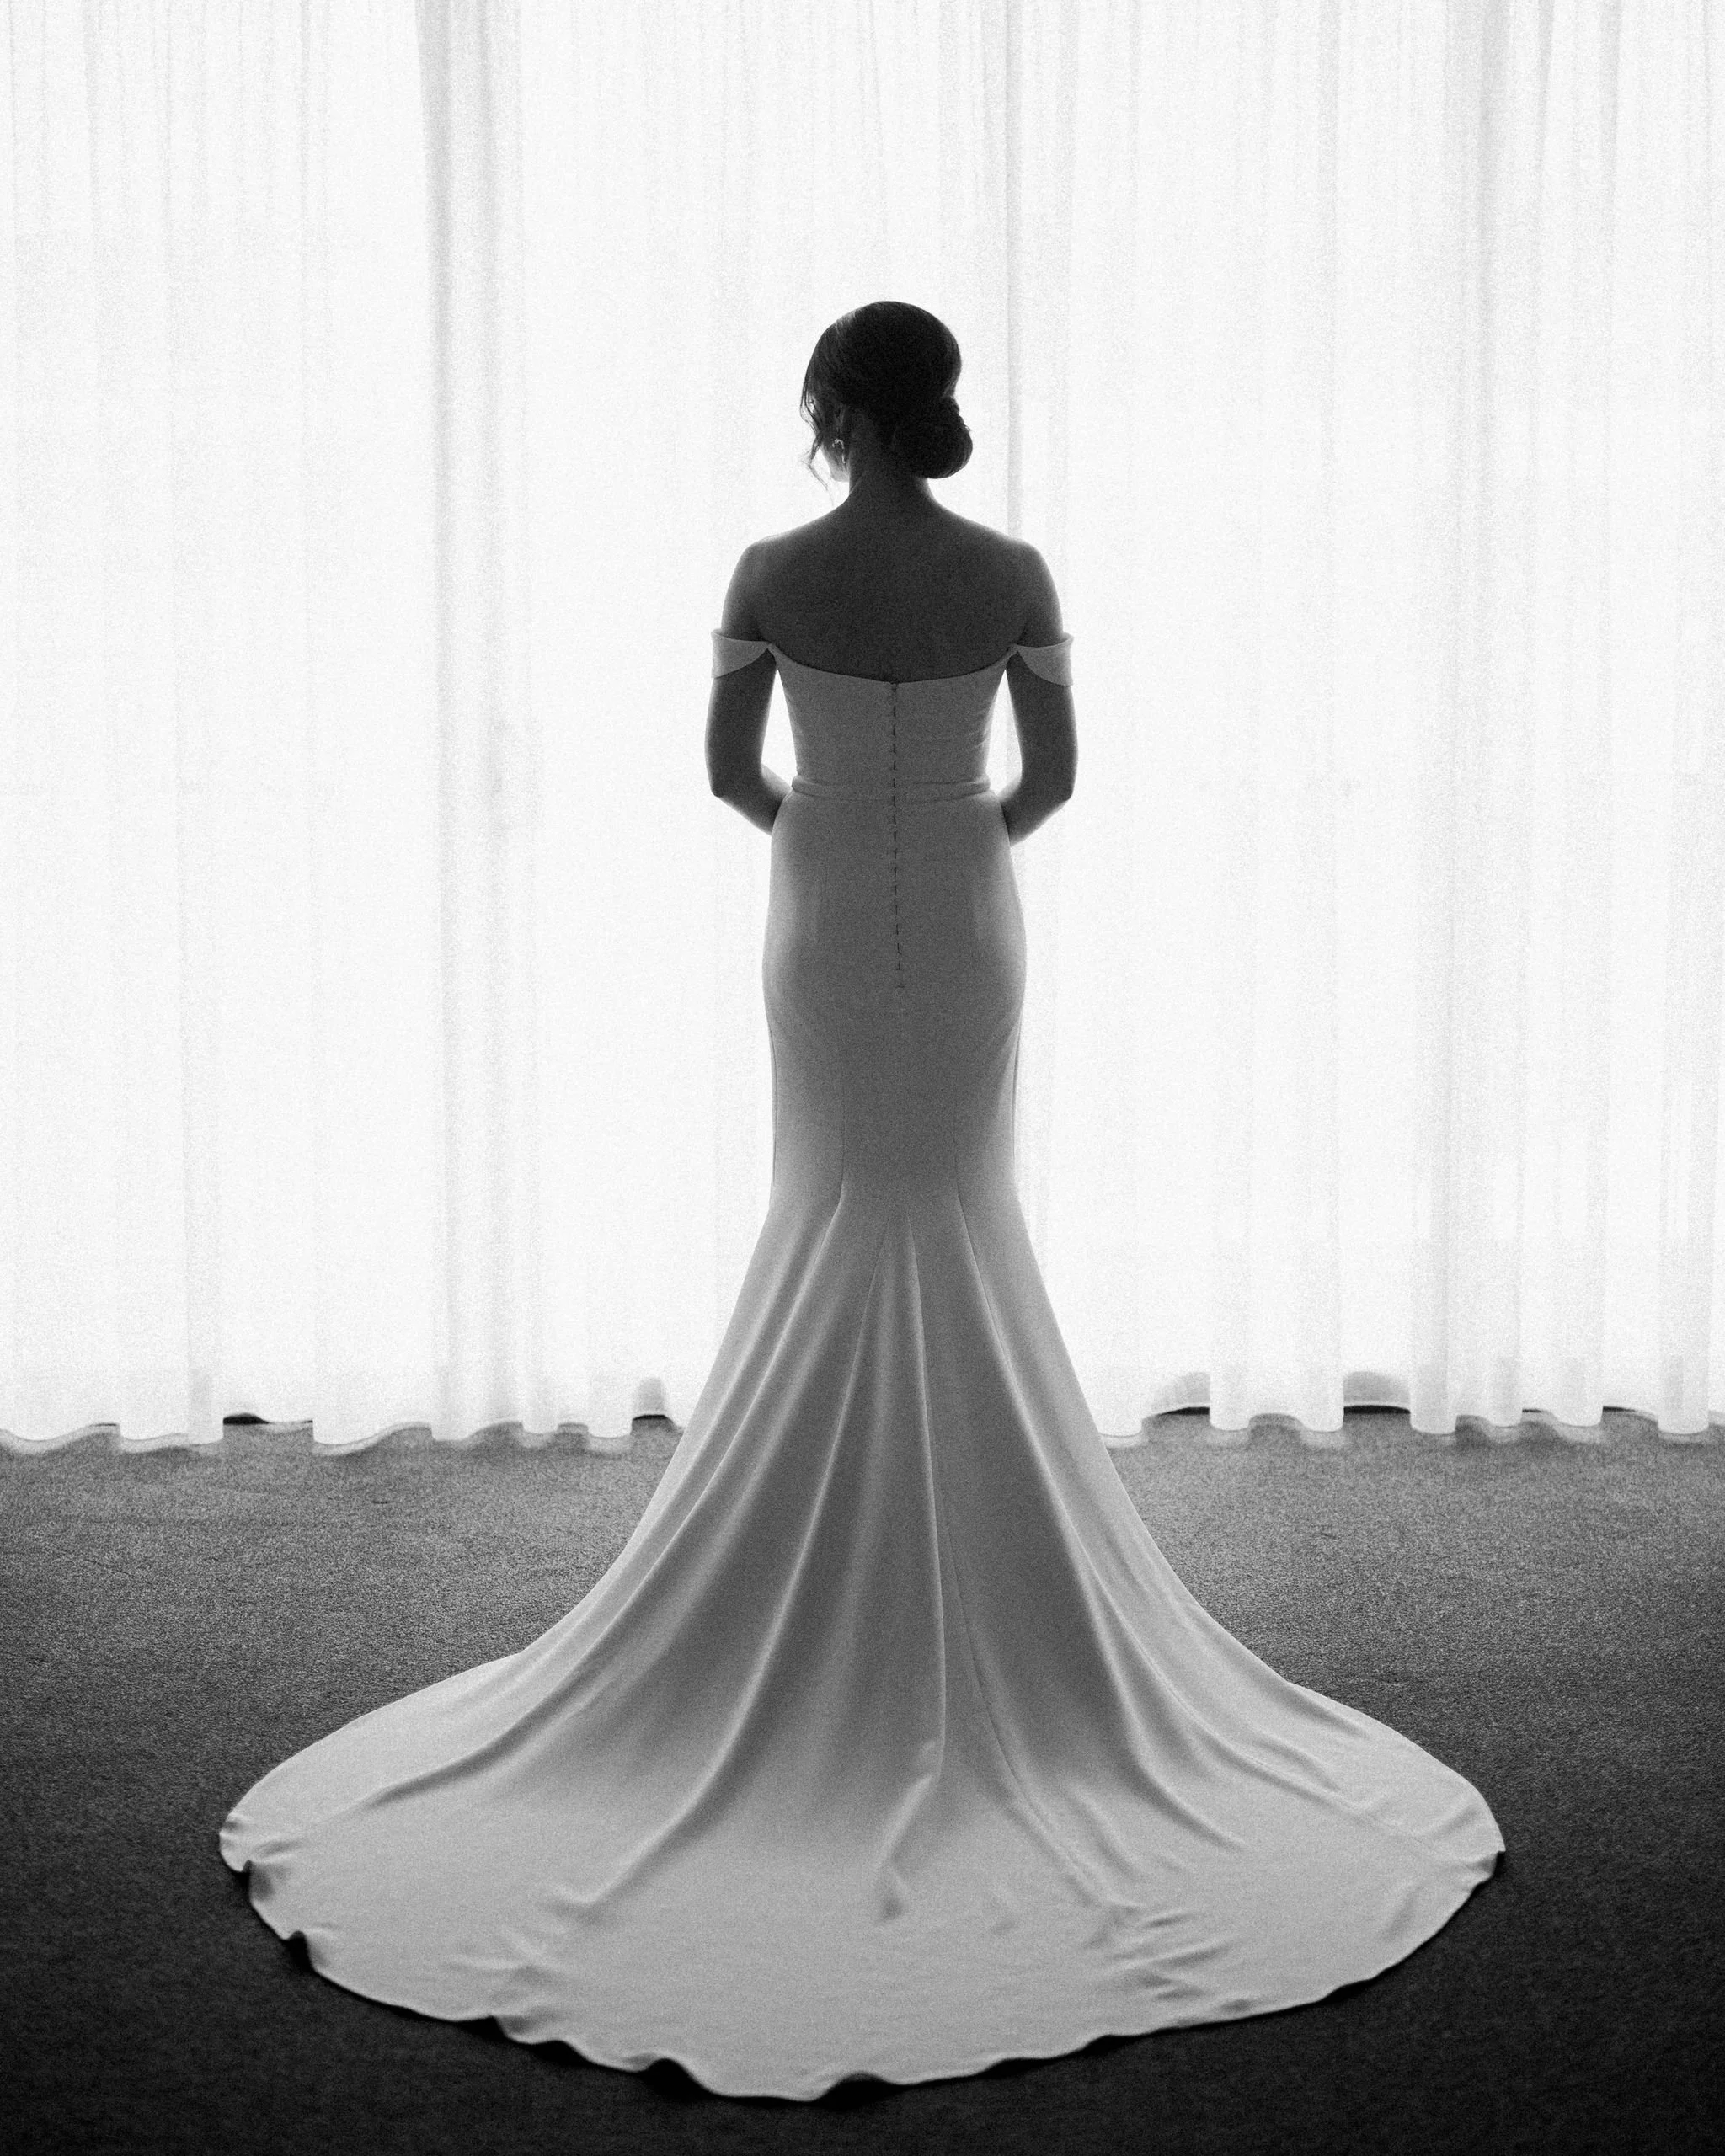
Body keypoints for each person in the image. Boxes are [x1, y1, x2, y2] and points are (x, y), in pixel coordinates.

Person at [221, 301, 1502, 2102]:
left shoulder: (771, 561)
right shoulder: (1012, 565)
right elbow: (1050, 781)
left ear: (831, 409)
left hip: (816, 902)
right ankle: (975, 1557)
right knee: (949, 1202)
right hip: (971, 909)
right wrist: (949, 834)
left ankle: (804, 1553)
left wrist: (827, 829)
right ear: (944, 404)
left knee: (830, 1195)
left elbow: (719, 773)